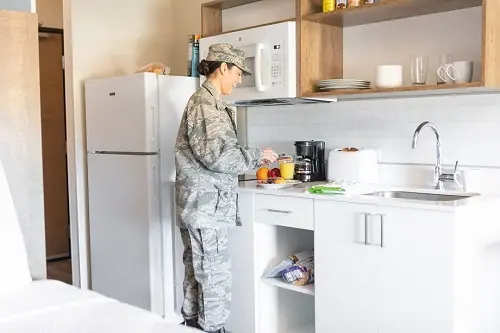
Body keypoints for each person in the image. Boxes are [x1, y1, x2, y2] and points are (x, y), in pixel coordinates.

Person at [174, 43, 278, 333]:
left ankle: (193, 325)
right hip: (205, 207)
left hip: (200, 204)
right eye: (237, 72)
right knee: (214, 274)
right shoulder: (207, 104)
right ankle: (213, 328)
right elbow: (220, 157)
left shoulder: (208, 102)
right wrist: (257, 155)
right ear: (223, 68)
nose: (239, 79)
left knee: (198, 271)